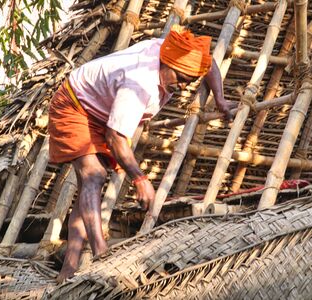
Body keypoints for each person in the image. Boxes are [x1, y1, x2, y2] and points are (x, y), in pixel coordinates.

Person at [48, 25, 235, 283]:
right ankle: (102, 255)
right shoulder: (138, 85)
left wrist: (221, 98)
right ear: (165, 64)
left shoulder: (170, 51)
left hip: (101, 110)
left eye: (188, 82)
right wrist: (140, 178)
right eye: (180, 79)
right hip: (74, 106)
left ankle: (68, 268)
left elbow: (208, 63)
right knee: (93, 175)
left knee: (88, 186)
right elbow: (115, 137)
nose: (182, 87)